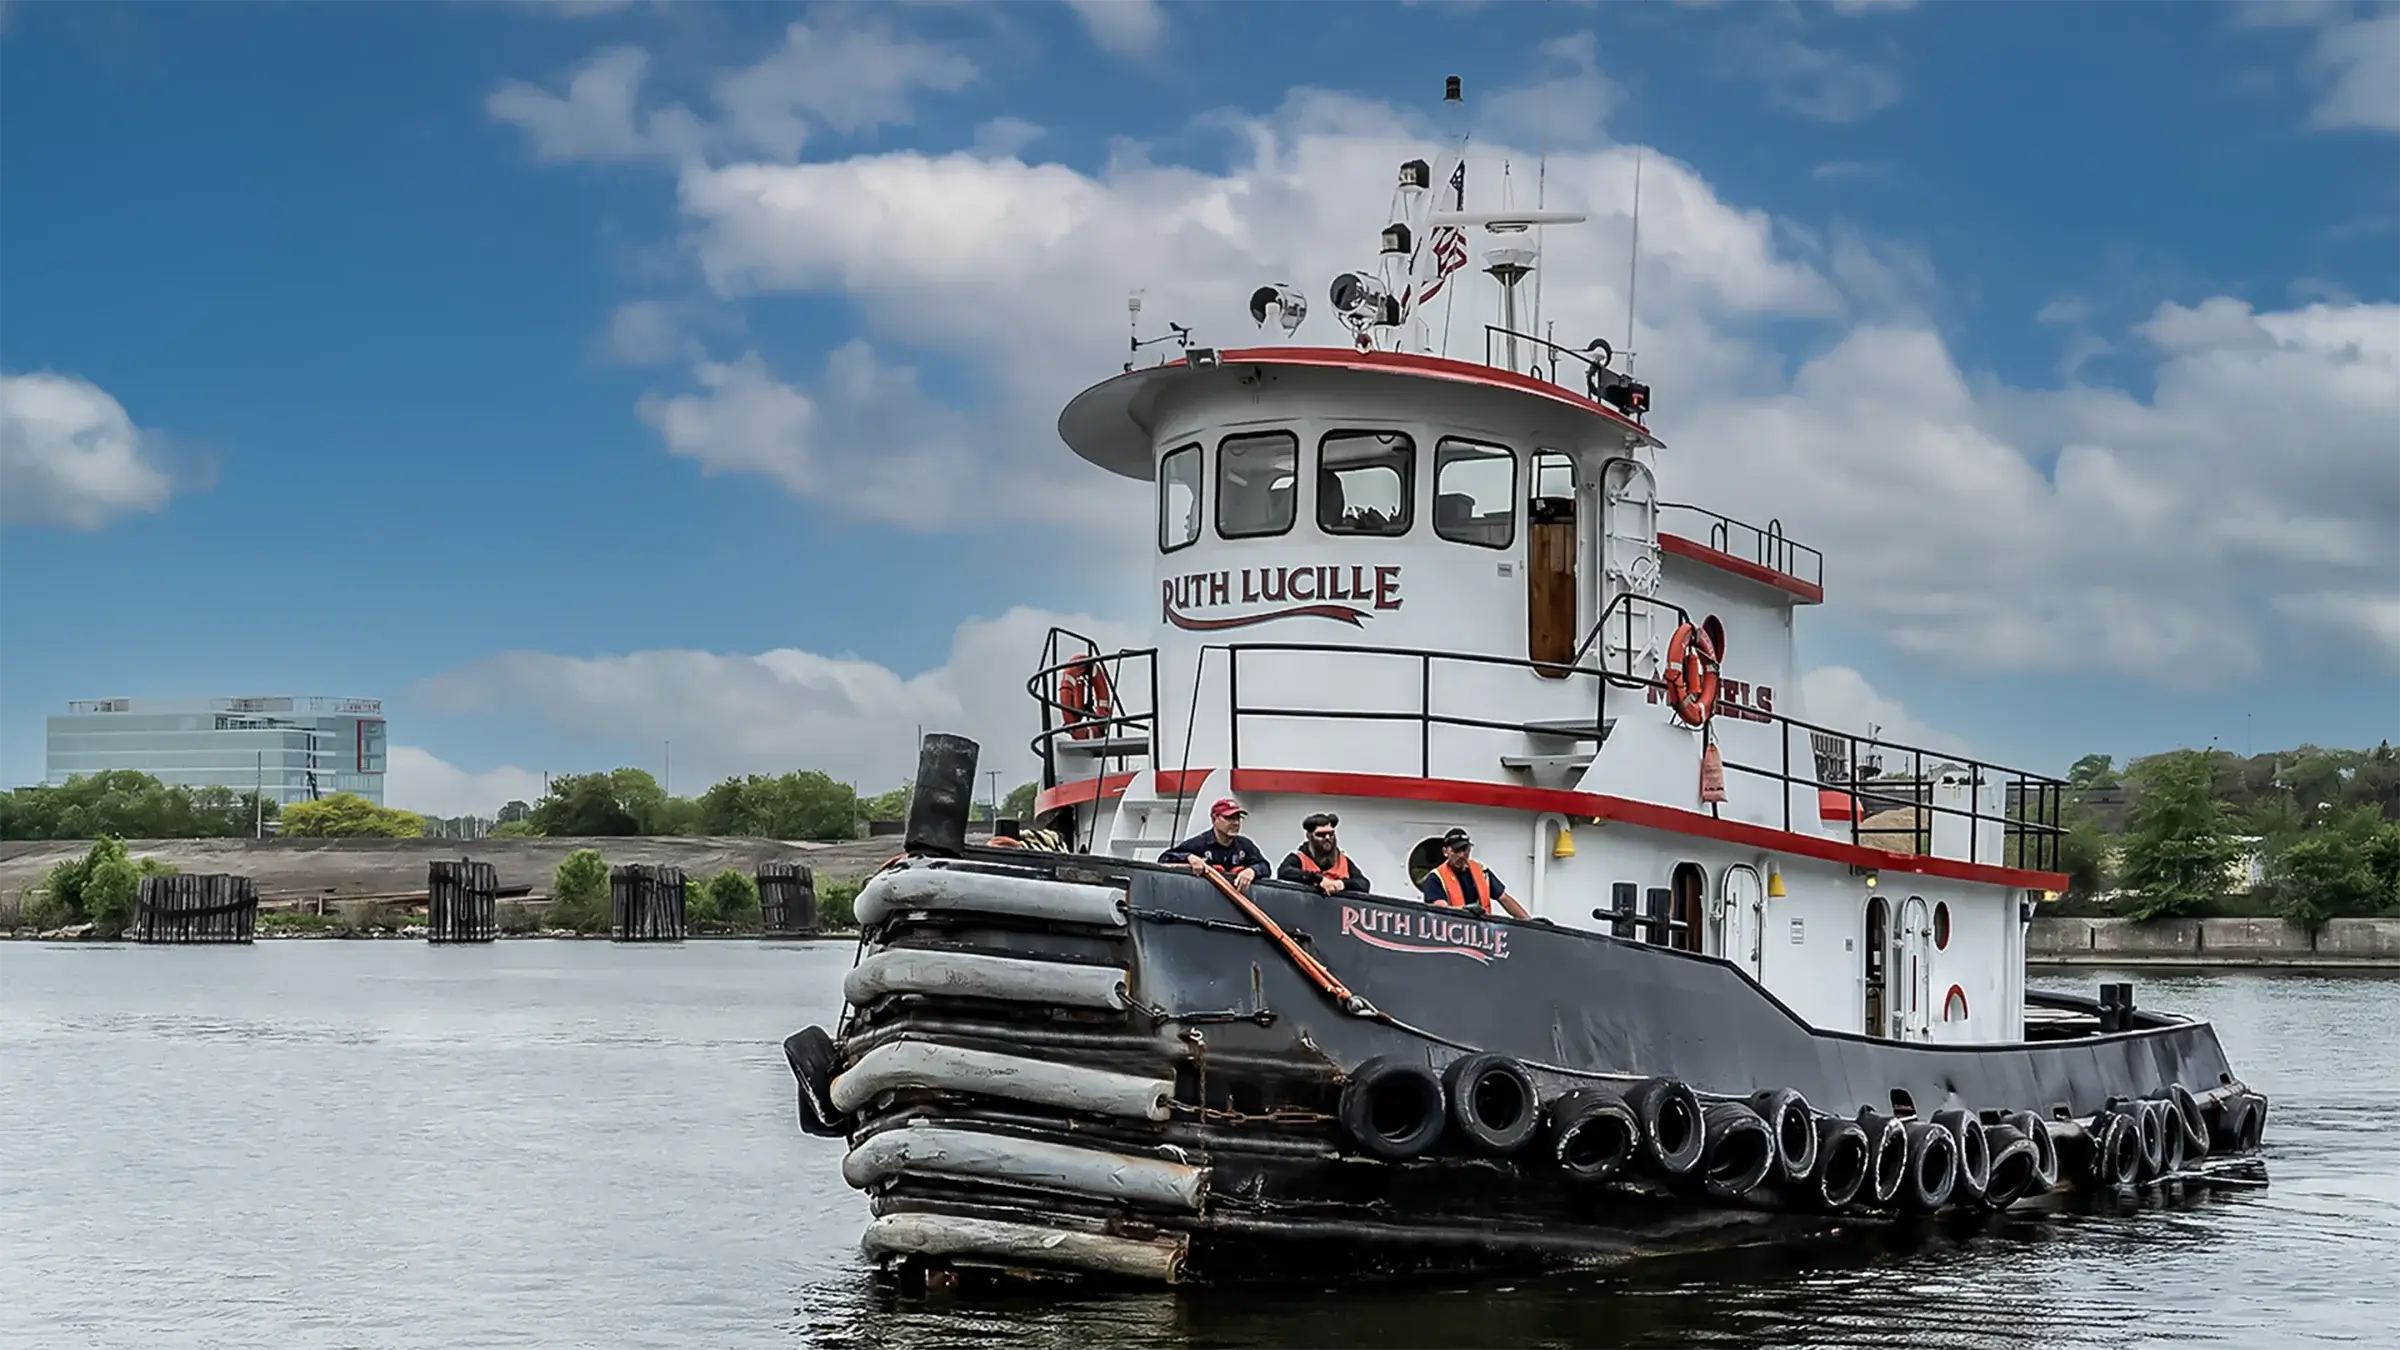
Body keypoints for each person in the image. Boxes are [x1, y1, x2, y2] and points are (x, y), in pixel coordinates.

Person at [1160, 798, 1271, 892]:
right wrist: (1189, 857)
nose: (1236, 823)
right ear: (1214, 819)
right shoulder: (1199, 844)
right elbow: (1164, 859)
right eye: (1229, 818)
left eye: (1238, 818)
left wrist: (1251, 871)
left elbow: (1265, 866)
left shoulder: (1245, 845)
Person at [1418, 828, 1531, 919]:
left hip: (1483, 935)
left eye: (1465, 849)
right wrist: (1466, 911)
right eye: (1456, 850)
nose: (1462, 855)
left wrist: (1529, 921)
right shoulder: (1435, 878)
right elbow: (1440, 908)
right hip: (1452, 936)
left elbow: (1504, 898)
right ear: (1445, 852)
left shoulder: (1482, 872)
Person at [1278, 812, 1371, 896]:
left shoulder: (1343, 861)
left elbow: (1364, 884)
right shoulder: (1299, 858)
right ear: (1309, 836)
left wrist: (1341, 884)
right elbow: (1283, 872)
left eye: (1331, 834)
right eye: (1321, 835)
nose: (1327, 838)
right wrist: (1318, 879)